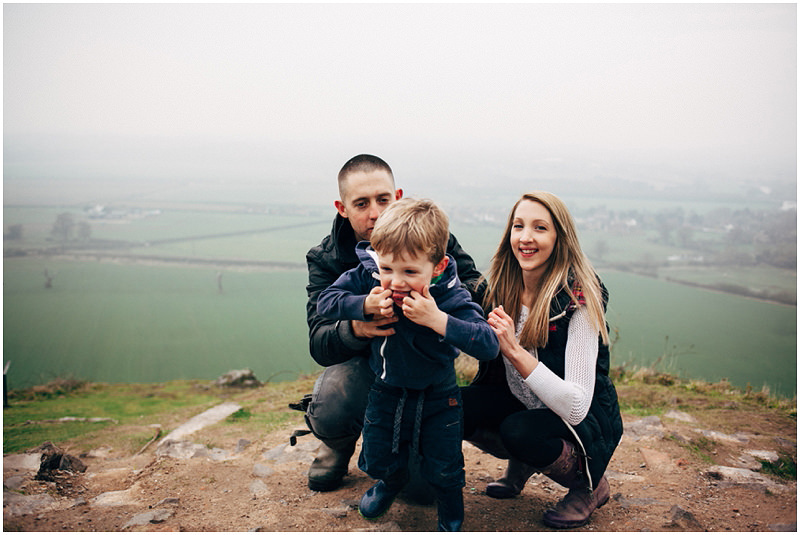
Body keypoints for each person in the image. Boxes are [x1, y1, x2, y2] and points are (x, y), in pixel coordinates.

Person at [304, 154, 486, 494]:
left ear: (397, 196)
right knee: (334, 397)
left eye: (383, 199)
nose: (375, 212)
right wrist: (358, 326)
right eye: (361, 203)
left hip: (423, 374)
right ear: (341, 208)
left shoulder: (429, 237)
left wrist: (442, 313)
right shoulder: (326, 257)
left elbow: (474, 287)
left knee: (422, 493)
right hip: (365, 370)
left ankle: (410, 450)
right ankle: (338, 442)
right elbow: (319, 340)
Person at [317, 198, 498, 531]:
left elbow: (487, 344)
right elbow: (326, 302)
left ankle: (450, 505)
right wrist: (364, 305)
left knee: (443, 463)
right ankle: (389, 481)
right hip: (386, 389)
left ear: (439, 267)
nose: (395, 281)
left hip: (438, 398)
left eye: (410, 272)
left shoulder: (449, 296)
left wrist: (438, 320)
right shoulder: (370, 276)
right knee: (379, 452)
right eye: (387, 269)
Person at [461, 191, 623, 529]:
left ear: (559, 239)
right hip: (523, 403)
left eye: (540, 228)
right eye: (518, 226)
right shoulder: (501, 288)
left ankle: (589, 485)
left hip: (581, 423)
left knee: (518, 430)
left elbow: (576, 406)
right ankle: (521, 463)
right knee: (453, 403)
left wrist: (514, 350)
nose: (526, 237)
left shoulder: (578, 303)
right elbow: (454, 270)